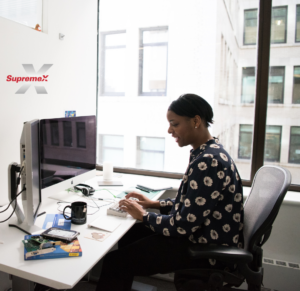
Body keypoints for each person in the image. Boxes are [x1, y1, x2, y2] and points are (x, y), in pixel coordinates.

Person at [96, 94, 244, 291]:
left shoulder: (209, 161)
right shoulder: (208, 151)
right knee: (130, 234)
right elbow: (194, 204)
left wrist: (144, 215)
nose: (169, 130)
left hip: (203, 247)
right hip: (199, 234)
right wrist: (154, 204)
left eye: (174, 123)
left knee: (115, 262)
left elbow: (183, 225)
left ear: (196, 121)